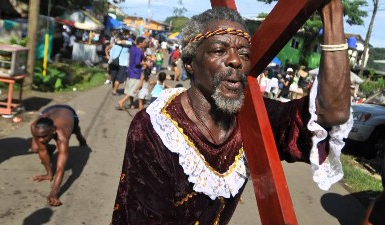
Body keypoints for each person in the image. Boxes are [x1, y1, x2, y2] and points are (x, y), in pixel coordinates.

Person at [110, 3, 351, 224]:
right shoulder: (157, 129)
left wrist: (332, 14)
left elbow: (332, 113)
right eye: (219, 50)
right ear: (190, 63)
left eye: (245, 54)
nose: (236, 61)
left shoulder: (253, 116)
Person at [30, 104, 87, 206]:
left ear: (53, 130)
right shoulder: (34, 126)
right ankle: (50, 152)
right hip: (47, 111)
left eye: (44, 136)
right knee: (35, 148)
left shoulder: (62, 136)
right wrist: (49, 173)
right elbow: (42, 151)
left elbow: (60, 168)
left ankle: (79, 135)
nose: (41, 140)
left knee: (75, 130)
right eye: (38, 136)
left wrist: (54, 193)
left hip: (68, 111)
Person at [117, 36, 147, 110]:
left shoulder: (133, 49)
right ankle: (122, 101)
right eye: (144, 42)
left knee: (130, 88)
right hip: (136, 73)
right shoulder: (138, 51)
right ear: (140, 43)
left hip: (130, 71)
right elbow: (137, 62)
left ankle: (132, 104)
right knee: (134, 90)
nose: (145, 43)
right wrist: (144, 63)